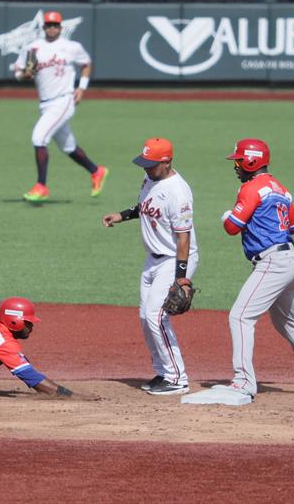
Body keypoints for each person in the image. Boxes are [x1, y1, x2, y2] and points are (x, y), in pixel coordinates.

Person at [217, 139, 294, 400]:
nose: (235, 166)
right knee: (286, 321)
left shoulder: (251, 188)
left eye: (238, 161)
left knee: (240, 316)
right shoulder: (281, 189)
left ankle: (244, 381)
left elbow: (232, 227)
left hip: (273, 263)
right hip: (291, 260)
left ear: (251, 161)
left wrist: (226, 216)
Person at [101, 138, 197, 395]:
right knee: (145, 317)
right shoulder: (151, 179)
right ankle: (164, 372)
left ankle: (177, 378)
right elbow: (145, 207)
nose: (146, 168)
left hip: (173, 259)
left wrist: (181, 278)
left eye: (152, 165)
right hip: (152, 260)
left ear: (167, 162)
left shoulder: (178, 192)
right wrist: (121, 215)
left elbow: (184, 238)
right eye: (145, 164)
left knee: (156, 315)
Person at [14, 10, 108, 203]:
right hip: (45, 103)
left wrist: (81, 88)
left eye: (55, 25)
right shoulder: (33, 48)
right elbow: (18, 71)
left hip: (63, 100)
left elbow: (86, 64)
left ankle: (41, 186)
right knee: (68, 146)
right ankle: (96, 171)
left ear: (60, 27)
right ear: (43, 27)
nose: (52, 28)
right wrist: (24, 75)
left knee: (39, 137)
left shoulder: (71, 47)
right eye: (48, 25)